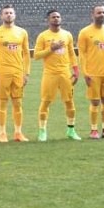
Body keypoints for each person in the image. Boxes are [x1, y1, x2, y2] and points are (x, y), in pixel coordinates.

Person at [0, 5, 31, 143]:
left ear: (14, 15)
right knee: (3, 103)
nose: (9, 15)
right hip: (3, 74)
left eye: (11, 13)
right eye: (6, 13)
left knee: (18, 103)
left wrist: (26, 73)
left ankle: (18, 132)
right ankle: (2, 133)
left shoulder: (22, 32)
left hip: (18, 73)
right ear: (1, 16)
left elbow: (27, 54)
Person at [33, 10, 81, 142]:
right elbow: (36, 55)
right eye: (53, 17)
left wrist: (76, 70)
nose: (56, 19)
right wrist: (51, 49)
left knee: (69, 102)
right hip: (50, 74)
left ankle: (71, 130)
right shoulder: (43, 36)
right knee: (45, 102)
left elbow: (71, 53)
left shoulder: (67, 35)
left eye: (58, 16)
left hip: (65, 74)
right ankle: (42, 131)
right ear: (48, 20)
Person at [77, 5, 104, 139]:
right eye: (99, 12)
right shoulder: (84, 32)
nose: (101, 14)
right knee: (95, 102)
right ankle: (94, 130)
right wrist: (85, 72)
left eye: (103, 12)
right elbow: (82, 54)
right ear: (92, 15)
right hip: (93, 73)